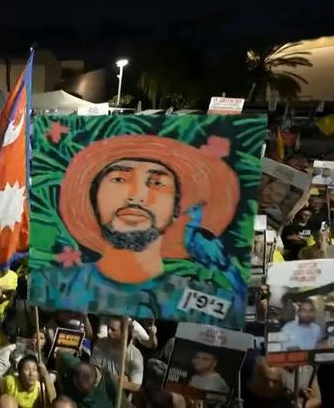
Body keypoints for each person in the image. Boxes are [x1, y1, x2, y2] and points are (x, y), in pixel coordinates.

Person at [30, 135, 244, 321]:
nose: (137, 195)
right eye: (120, 179)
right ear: (93, 199)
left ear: (177, 209)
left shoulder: (213, 306)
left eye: (157, 183)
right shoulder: (48, 285)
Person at [90, 317, 143, 394]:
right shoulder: (100, 344)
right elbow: (93, 370)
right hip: (99, 390)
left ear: (124, 333)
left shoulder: (135, 354)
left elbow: (136, 385)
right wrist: (115, 378)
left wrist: (123, 384)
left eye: (113, 329)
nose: (108, 331)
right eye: (108, 327)